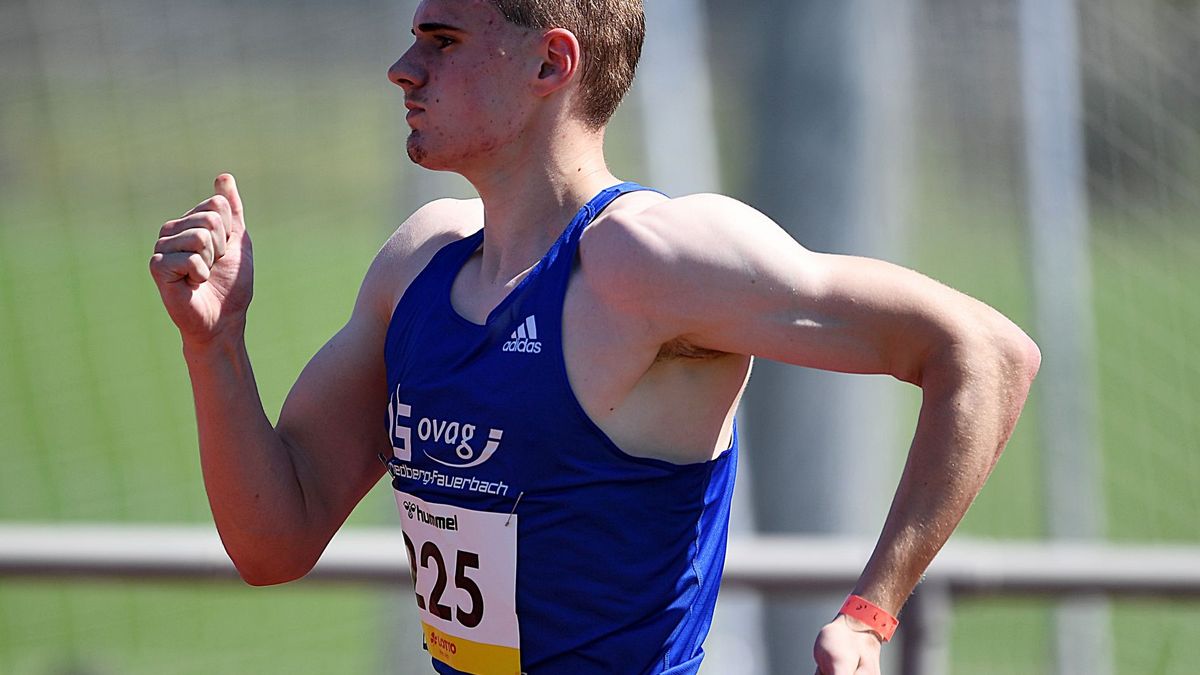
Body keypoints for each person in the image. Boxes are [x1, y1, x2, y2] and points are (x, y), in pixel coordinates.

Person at [148, 0, 1040, 673]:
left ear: (551, 62)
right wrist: (214, 346)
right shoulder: (419, 261)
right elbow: (274, 541)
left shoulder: (646, 260)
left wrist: (870, 613)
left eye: (442, 41)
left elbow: (988, 354)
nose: (402, 69)